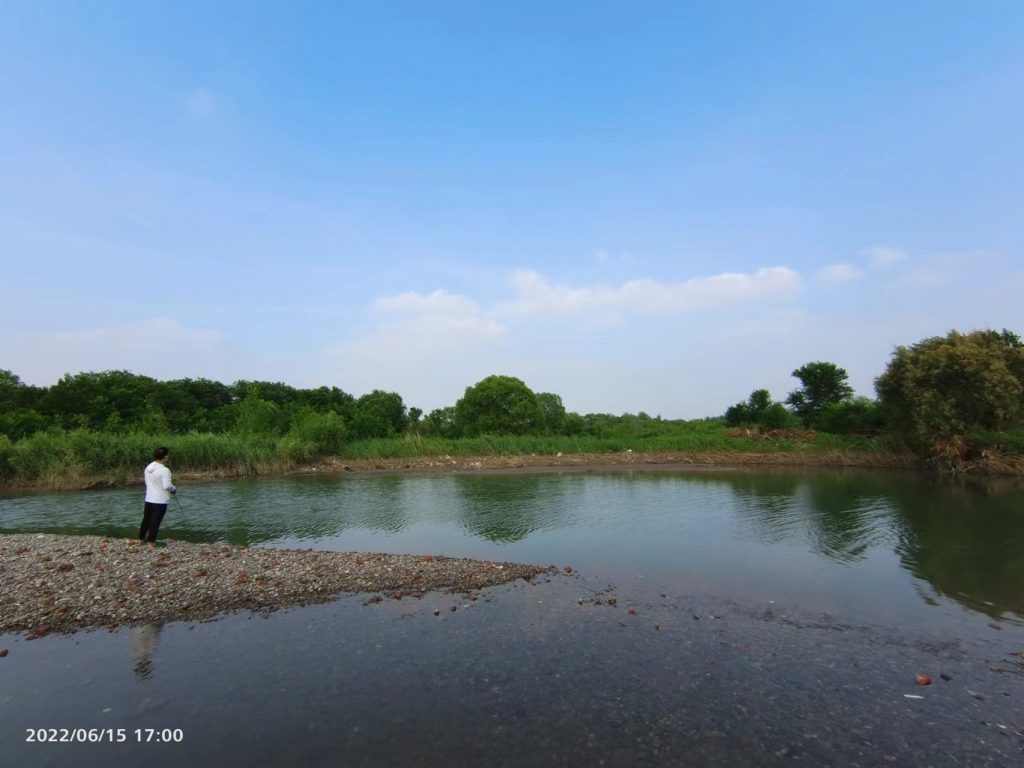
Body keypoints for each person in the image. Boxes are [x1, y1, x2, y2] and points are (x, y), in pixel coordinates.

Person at [140, 446, 176, 545]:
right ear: (165, 457)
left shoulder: (148, 467)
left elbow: (147, 482)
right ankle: (151, 542)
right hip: (160, 500)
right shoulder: (165, 470)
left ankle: (141, 538)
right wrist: (174, 489)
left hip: (149, 498)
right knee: (155, 521)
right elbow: (167, 486)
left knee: (146, 519)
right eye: (167, 455)